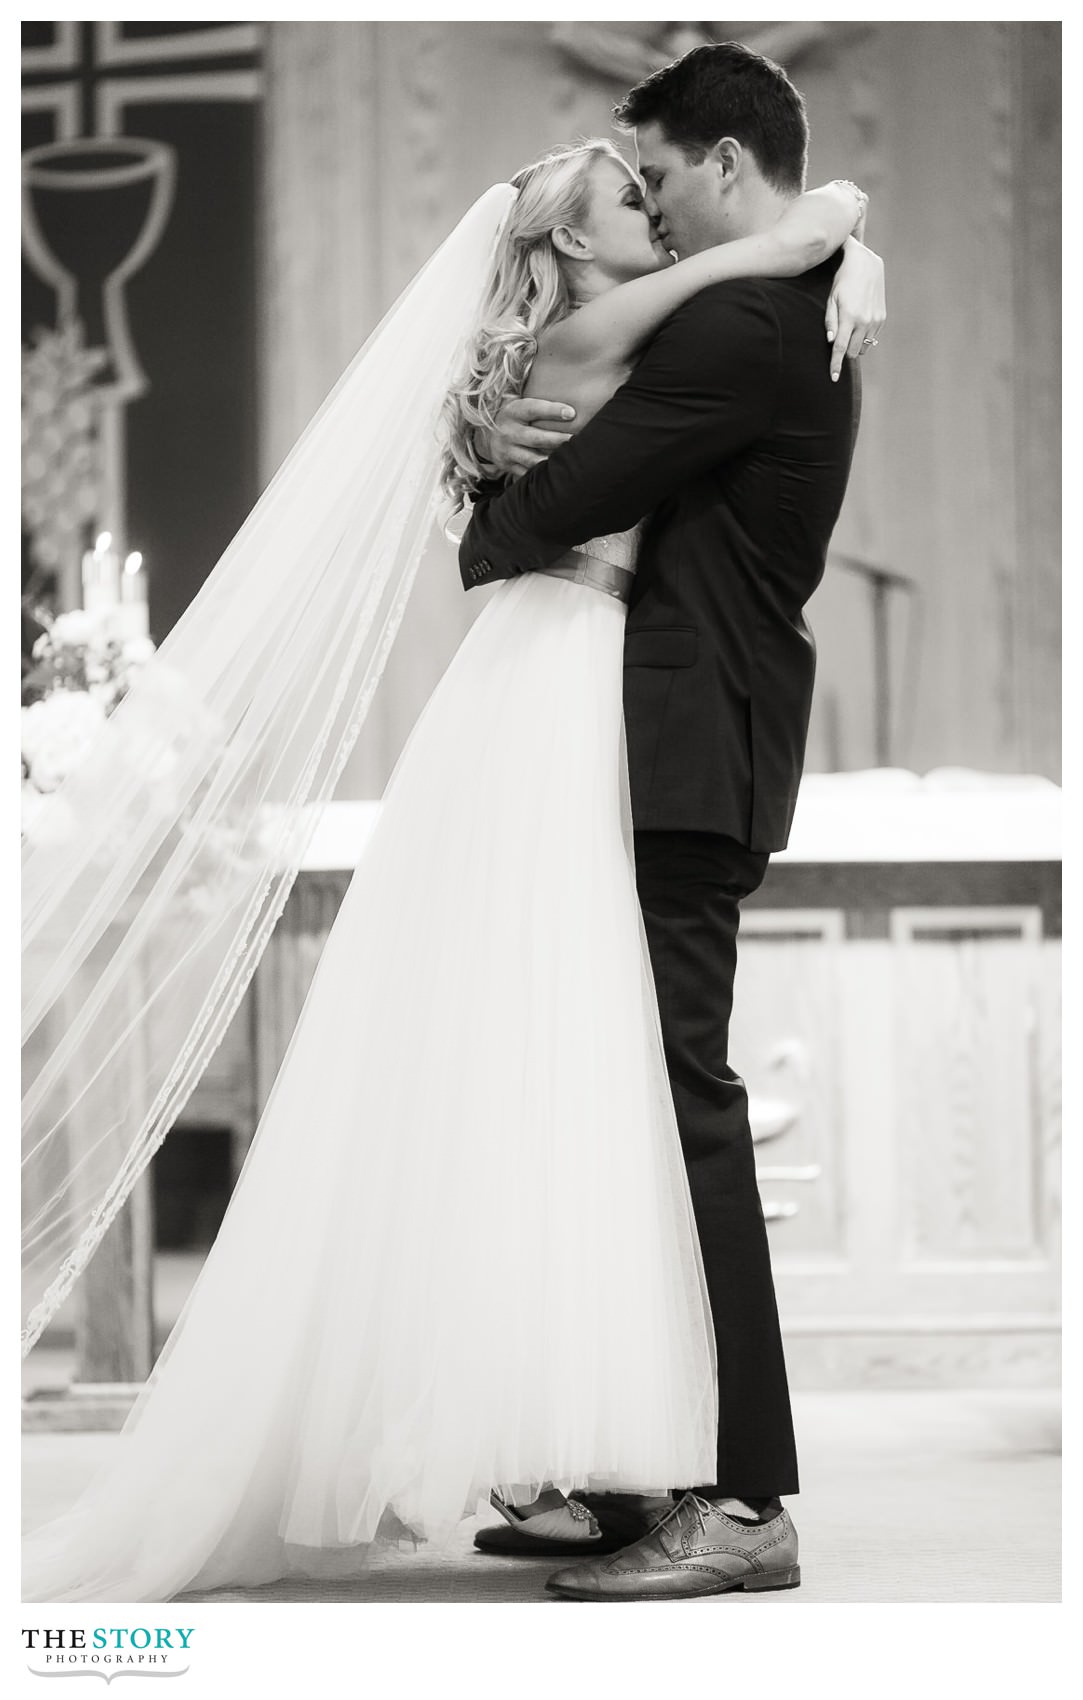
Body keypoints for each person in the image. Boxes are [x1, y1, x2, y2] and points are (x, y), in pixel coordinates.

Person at [22, 124, 881, 1603]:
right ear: (563, 244)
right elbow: (773, 245)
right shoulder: (599, 328)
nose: (654, 218)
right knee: (577, 1044)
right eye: (627, 199)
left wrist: (847, 239)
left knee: (561, 1054)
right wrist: (843, 229)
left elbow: (779, 251)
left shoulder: (569, 336)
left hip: (549, 679)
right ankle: (618, 1458)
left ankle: (594, 1449)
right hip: (564, 684)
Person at [460, 43, 878, 1601]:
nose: (651, 209)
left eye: (654, 181)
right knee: (613, 1110)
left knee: (686, 1110)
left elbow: (552, 509)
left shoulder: (757, 321)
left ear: (716, 164)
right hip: (668, 743)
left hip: (690, 753)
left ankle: (748, 1498)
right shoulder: (789, 289)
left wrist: (484, 496)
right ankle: (636, 1464)